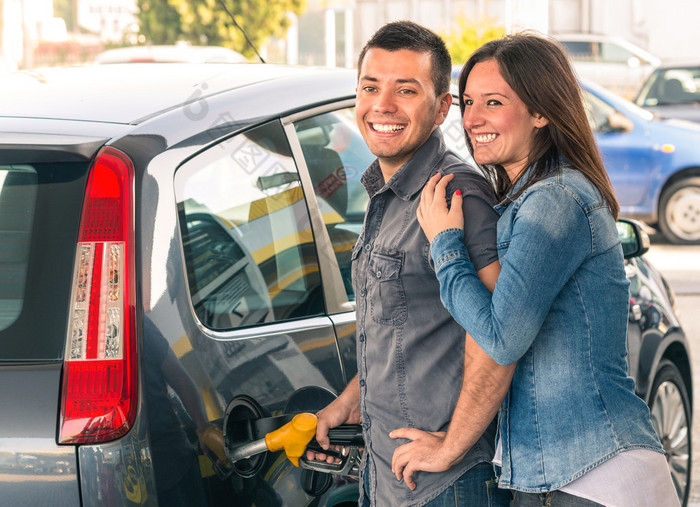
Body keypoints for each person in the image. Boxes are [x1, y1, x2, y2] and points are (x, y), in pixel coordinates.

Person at [394, 32, 678, 506]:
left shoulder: (555, 201)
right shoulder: (526, 200)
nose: (473, 119)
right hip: (552, 476)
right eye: (467, 102)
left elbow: (502, 339)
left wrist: (445, 245)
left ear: (541, 111)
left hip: (597, 476)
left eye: (493, 102)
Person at [307, 20, 513, 506]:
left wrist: (451, 447)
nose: (383, 105)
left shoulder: (459, 196)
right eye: (370, 87)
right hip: (384, 482)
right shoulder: (383, 192)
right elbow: (403, 331)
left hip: (446, 486)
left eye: (406, 90)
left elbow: (501, 336)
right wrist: (349, 401)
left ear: (442, 107)